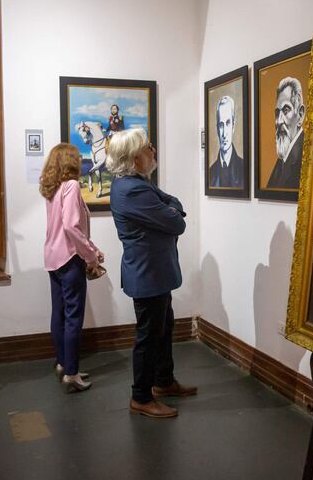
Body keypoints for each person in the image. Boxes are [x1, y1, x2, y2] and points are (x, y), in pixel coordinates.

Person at [106, 128, 197, 418]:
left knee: (164, 327)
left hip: (154, 272)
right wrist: (172, 211)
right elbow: (178, 223)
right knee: (149, 336)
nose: (153, 151)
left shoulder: (138, 184)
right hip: (148, 274)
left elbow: (172, 201)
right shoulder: (133, 189)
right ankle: (141, 397)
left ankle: (164, 381)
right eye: (148, 147)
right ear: (134, 159)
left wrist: (172, 208)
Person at [40, 143, 105, 393]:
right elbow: (70, 227)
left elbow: (64, 227)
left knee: (58, 313)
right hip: (69, 259)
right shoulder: (71, 186)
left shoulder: (53, 188)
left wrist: (92, 248)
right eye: (77, 157)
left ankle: (63, 363)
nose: (80, 160)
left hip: (52, 256)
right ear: (70, 161)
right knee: (73, 317)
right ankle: (72, 374)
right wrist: (90, 256)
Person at [267, 77, 305, 189]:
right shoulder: (283, 158)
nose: (279, 121)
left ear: (300, 115)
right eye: (277, 113)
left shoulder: (304, 158)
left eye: (286, 110)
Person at [209, 95, 245, 187]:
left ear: (233, 126)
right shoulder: (210, 173)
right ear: (217, 129)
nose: (224, 134)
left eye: (228, 123)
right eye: (221, 125)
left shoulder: (244, 168)